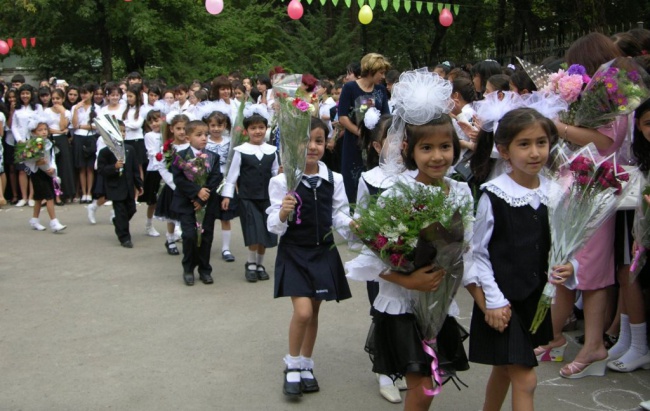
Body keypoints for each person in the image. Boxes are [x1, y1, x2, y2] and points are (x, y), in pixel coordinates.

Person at [346, 70, 472, 411]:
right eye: (426, 148)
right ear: (408, 149)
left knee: (429, 386)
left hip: (438, 305)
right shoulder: (396, 192)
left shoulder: (460, 192)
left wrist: (484, 297)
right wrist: (408, 279)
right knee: (422, 386)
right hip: (401, 307)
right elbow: (371, 257)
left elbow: (468, 251)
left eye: (445, 147)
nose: (437, 156)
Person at [466, 108, 576, 410]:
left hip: (533, 303)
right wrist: (494, 300)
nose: (535, 152)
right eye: (524, 144)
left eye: (541, 142)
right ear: (504, 150)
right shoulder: (495, 195)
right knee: (525, 379)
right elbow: (478, 253)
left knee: (504, 369)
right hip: (502, 302)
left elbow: (561, 244)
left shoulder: (555, 192)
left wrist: (569, 265)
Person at [535, 32, 627, 379]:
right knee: (565, 263)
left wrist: (562, 127)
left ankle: (592, 345)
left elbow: (606, 141)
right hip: (580, 183)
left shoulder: (614, 97)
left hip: (598, 185)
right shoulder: (598, 95)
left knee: (589, 271)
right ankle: (555, 335)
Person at [268, 117, 352, 397]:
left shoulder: (333, 179)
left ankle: (306, 363)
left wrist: (354, 226)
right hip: (294, 252)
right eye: (306, 141)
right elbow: (274, 225)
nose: (313, 147)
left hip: (322, 253)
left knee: (314, 311)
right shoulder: (283, 180)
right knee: (302, 311)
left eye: (319, 140)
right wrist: (283, 211)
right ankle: (292, 363)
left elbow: (339, 215)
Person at [354, 113, 410, 403]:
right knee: (384, 312)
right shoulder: (370, 179)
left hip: (412, 262)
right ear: (377, 147)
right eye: (394, 138)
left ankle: (402, 365)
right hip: (381, 262)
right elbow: (359, 220)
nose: (401, 144)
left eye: (405, 139)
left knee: (407, 314)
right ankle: (385, 371)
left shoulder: (417, 177)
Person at [605, 100, 650, 373]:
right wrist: (639, 234)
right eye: (647, 124)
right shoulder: (644, 160)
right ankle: (630, 340)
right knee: (627, 273)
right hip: (642, 228)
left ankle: (639, 344)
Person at [221, 104, 278, 283]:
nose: (258, 131)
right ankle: (250, 263)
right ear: (246, 131)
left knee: (266, 234)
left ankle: (260, 264)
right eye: (253, 128)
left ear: (266, 129)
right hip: (248, 198)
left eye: (261, 127)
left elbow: (276, 173)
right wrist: (227, 195)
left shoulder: (272, 151)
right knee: (254, 232)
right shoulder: (241, 151)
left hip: (268, 199)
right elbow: (232, 176)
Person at [171, 120, 222, 286]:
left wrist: (202, 197)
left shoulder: (213, 157)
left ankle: (205, 269)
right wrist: (195, 193)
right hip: (187, 203)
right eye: (199, 135)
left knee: (206, 237)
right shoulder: (180, 157)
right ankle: (188, 268)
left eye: (205, 135)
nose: (204, 138)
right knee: (190, 236)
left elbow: (215, 178)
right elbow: (179, 179)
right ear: (188, 137)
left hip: (207, 203)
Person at [338, 53, 391, 203]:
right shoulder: (350, 88)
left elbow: (386, 116)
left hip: (375, 145)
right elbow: (342, 117)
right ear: (371, 70)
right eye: (381, 72)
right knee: (352, 180)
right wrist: (360, 133)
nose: (383, 76)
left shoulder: (381, 90)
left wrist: (377, 138)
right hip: (353, 143)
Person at [97, 120, 143, 248]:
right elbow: (101, 170)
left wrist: (139, 185)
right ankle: (125, 238)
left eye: (123, 131)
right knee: (121, 211)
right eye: (119, 131)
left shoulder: (130, 149)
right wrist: (114, 167)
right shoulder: (105, 152)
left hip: (128, 187)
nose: (122, 134)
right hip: (115, 187)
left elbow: (135, 169)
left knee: (131, 209)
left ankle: (118, 222)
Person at [154, 112, 190, 256]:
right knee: (172, 215)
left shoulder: (191, 146)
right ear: (172, 129)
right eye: (179, 128)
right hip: (173, 186)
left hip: (189, 187)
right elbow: (162, 167)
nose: (182, 132)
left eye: (185, 128)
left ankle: (189, 238)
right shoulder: (168, 148)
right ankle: (170, 239)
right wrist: (173, 183)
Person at [205, 110, 236, 262]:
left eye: (220, 125)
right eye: (212, 125)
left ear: (225, 126)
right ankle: (204, 245)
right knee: (206, 216)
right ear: (207, 126)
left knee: (225, 216)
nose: (216, 128)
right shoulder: (204, 142)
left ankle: (226, 248)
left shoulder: (230, 142)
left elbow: (234, 164)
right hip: (208, 182)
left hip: (225, 181)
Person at [25, 121, 66, 233]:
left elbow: (52, 157)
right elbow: (27, 160)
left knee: (38, 198)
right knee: (49, 196)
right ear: (33, 132)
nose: (43, 132)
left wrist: (52, 167)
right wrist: (36, 162)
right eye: (40, 130)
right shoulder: (32, 144)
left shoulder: (49, 142)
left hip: (48, 172)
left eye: (45, 129)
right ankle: (54, 222)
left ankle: (34, 220)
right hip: (37, 173)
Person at [12, 84, 43, 207]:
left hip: (33, 141)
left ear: (31, 94)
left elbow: (40, 122)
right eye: (23, 93)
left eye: (27, 93)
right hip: (21, 142)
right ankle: (23, 197)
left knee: (33, 169)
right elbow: (14, 126)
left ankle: (32, 197)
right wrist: (19, 139)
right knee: (21, 171)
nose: (25, 96)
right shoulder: (17, 109)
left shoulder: (37, 107)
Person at [71, 83, 100, 204]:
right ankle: (84, 193)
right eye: (82, 93)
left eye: (86, 93)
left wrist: (82, 126)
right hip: (78, 137)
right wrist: (77, 110)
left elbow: (96, 127)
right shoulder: (75, 107)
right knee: (81, 167)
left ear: (91, 93)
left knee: (90, 167)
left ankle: (90, 192)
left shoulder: (97, 108)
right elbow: (74, 125)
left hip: (91, 137)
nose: (84, 95)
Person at [44, 89, 74, 205]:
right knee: (52, 167)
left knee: (64, 167)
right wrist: (60, 132)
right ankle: (53, 194)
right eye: (54, 98)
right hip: (51, 139)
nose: (55, 101)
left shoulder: (66, 112)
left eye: (58, 98)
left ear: (63, 99)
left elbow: (63, 126)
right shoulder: (46, 111)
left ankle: (63, 194)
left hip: (62, 141)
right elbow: (47, 128)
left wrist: (62, 113)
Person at [142, 109, 163, 237]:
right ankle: (149, 224)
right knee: (153, 201)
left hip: (166, 169)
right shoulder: (149, 135)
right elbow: (152, 152)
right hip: (154, 169)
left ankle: (176, 227)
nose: (154, 124)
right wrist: (162, 154)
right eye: (151, 122)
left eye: (156, 120)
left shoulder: (167, 134)